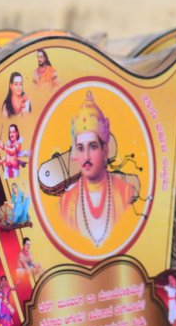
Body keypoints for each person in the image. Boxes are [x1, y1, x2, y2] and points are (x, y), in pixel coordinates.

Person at [56, 90, 137, 248]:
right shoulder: (66, 203)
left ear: (105, 150)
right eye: (80, 148)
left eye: (93, 146)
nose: (86, 156)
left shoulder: (126, 192)